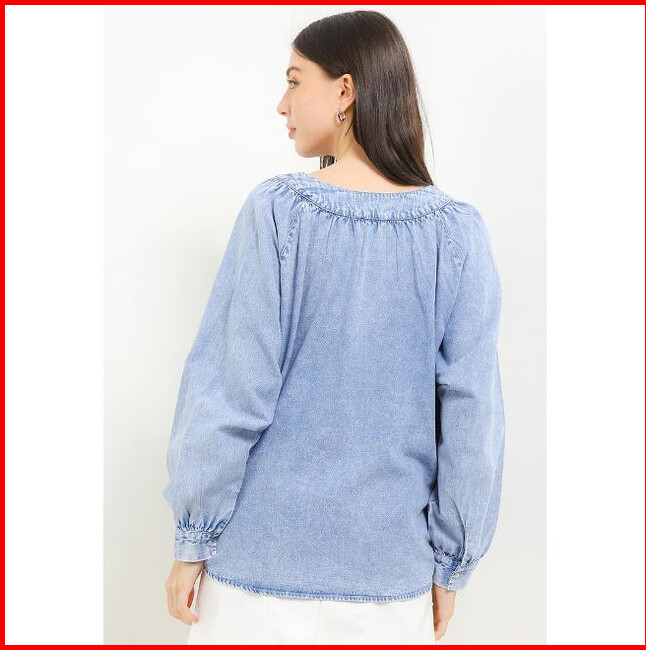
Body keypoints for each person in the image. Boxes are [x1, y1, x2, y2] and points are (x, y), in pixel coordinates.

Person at [162, 9, 505, 645]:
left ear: (345, 90)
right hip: (390, 584)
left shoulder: (278, 212)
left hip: (257, 578)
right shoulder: (456, 236)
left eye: (295, 81)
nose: (281, 103)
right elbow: (471, 417)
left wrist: (192, 537)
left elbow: (233, 388)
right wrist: (451, 566)